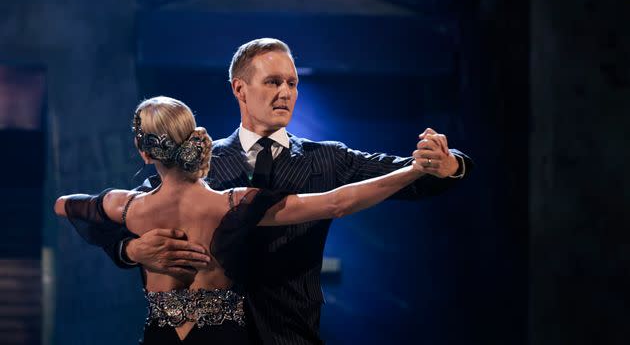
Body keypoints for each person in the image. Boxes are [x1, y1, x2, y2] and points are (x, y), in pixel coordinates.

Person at [101, 38, 473, 344]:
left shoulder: (327, 160)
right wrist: (131, 249)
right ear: (239, 89)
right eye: (273, 82)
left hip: (292, 337)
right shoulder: (196, 161)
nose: (285, 93)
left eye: (292, 83)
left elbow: (410, 175)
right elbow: (124, 217)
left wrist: (449, 162)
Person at [56, 96, 438, 344]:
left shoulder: (127, 206)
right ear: (195, 141)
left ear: (143, 152)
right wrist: (413, 170)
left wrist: (130, 246)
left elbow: (64, 205)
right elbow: (337, 202)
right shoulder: (233, 204)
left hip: (161, 336)